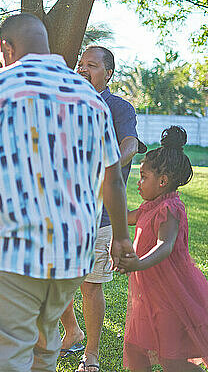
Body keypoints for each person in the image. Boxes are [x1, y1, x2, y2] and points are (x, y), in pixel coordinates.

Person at [0, 13, 135, 372]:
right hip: (71, 256)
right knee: (44, 350)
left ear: (5, 47)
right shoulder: (88, 96)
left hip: (11, 253)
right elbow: (112, 177)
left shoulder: (0, 87)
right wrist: (120, 235)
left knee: (10, 356)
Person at [117, 126, 208, 372]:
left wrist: (137, 263)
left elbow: (164, 246)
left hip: (169, 291)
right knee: (135, 347)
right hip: (149, 293)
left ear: (163, 181)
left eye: (143, 176)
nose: (138, 182)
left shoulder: (169, 209)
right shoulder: (150, 206)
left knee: (172, 360)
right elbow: (124, 217)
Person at [59, 45, 147, 372]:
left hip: (102, 213)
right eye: (80, 63)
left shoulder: (119, 108)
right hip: (64, 209)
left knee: (90, 284)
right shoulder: (66, 104)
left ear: (107, 73)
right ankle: (71, 331)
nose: (82, 69)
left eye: (91, 65)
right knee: (59, 278)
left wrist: (109, 163)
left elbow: (130, 144)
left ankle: (91, 354)